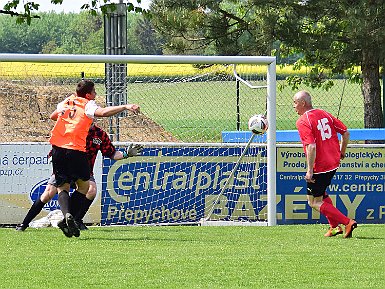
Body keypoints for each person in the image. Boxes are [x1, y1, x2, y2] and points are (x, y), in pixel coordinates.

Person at [47, 79, 140, 238]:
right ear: (88, 94)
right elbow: (103, 113)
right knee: (85, 188)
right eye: (95, 92)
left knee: (63, 187)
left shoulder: (67, 102)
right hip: (76, 150)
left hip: (57, 149)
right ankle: (70, 218)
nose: (96, 95)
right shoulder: (88, 104)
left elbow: (53, 116)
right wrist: (125, 106)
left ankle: (67, 215)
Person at [16, 123, 143, 235]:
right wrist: (52, 158)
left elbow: (111, 153)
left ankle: (75, 220)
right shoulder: (73, 130)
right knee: (48, 194)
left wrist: (126, 154)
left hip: (85, 172)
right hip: (65, 168)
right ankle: (24, 224)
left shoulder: (99, 134)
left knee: (91, 190)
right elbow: (57, 148)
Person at [293, 90, 357, 238]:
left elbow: (311, 146)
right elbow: (346, 133)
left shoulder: (303, 121)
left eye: (295, 102)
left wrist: (310, 170)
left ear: (303, 103)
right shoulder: (324, 113)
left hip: (320, 167)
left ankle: (347, 222)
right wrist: (342, 151)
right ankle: (335, 227)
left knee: (313, 202)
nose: (293, 106)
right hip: (334, 163)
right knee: (321, 194)